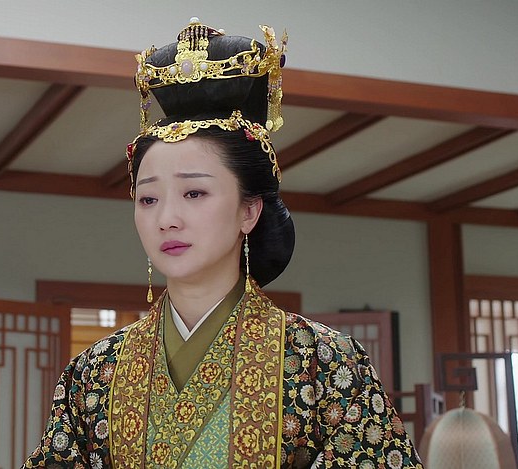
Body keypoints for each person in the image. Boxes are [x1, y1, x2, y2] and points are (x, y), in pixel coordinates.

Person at [23, 18, 424, 468]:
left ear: (249, 211)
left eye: (194, 193)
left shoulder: (326, 364)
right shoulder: (94, 372)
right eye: (149, 198)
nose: (166, 219)